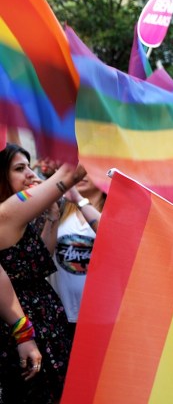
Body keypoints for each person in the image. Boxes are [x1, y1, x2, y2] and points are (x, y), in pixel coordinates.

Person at [0, 144, 85, 403]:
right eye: (19, 168)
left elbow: (39, 260)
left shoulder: (20, 217)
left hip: (46, 319)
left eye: (29, 166)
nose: (29, 173)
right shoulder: (6, 214)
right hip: (21, 325)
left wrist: (52, 215)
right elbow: (72, 173)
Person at [49, 176, 103, 342]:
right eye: (78, 169)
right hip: (61, 314)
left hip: (101, 318)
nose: (82, 174)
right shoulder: (60, 208)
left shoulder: (115, 211)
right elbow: (43, 255)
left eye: (88, 169)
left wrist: (79, 200)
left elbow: (114, 237)